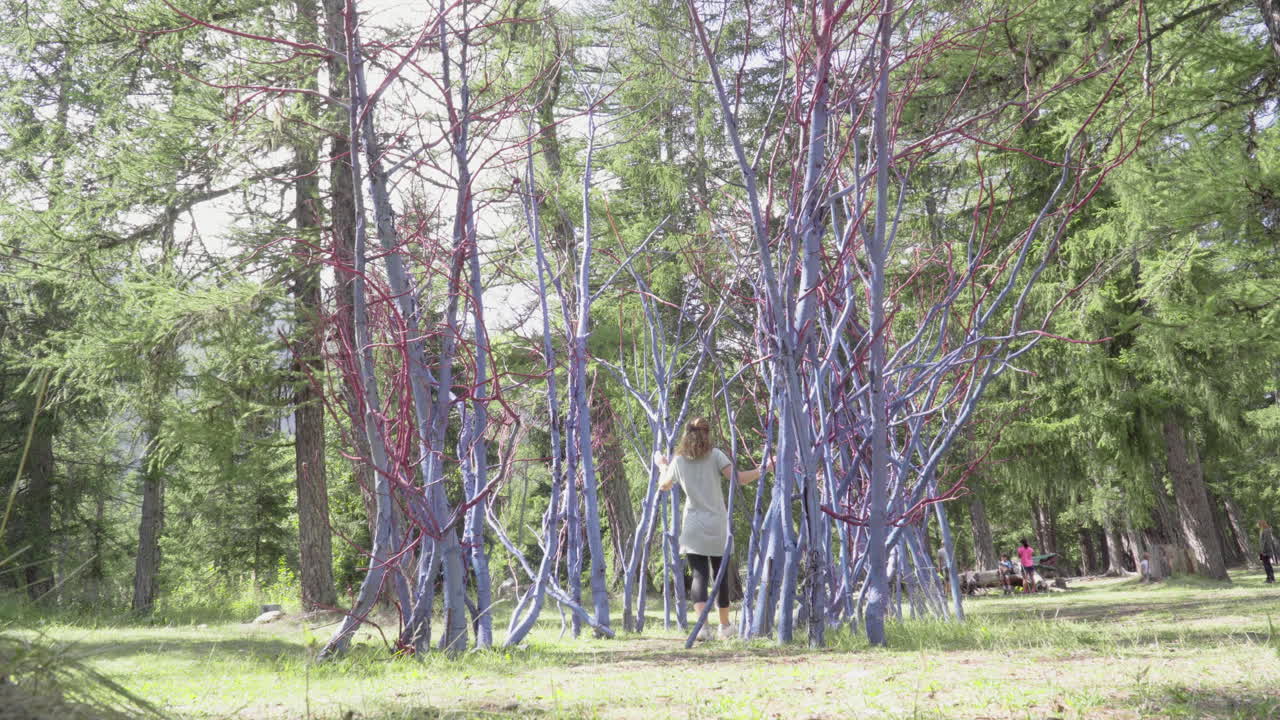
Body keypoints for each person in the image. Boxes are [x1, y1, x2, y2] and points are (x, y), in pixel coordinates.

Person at [655, 417, 765, 640]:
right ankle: (725, 627)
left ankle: (702, 628)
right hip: (717, 524)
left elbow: (663, 485)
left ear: (686, 434)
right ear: (708, 433)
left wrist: (662, 466)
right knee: (720, 575)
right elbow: (739, 479)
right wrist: (763, 469)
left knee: (699, 576)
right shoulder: (716, 456)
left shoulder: (678, 461)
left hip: (693, 525)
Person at [1259, 520, 1278, 584]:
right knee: (1267, 564)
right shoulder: (1263, 530)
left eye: (1259, 524)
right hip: (1264, 550)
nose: (1258, 526)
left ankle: (1270, 579)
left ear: (1262, 524)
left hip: (1266, 550)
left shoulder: (1266, 530)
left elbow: (1266, 542)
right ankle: (1271, 578)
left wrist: (1263, 551)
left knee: (1267, 565)